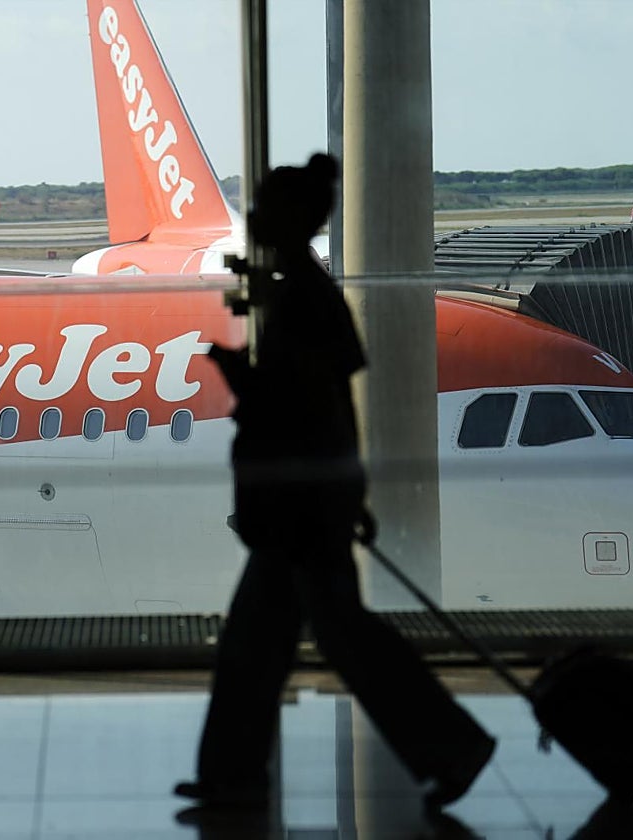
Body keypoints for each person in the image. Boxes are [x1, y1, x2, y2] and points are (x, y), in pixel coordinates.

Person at [175, 153, 495, 813]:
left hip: (299, 508)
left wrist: (239, 378)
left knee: (283, 650)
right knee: (311, 644)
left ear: (292, 219)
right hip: (311, 502)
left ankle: (448, 747)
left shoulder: (302, 298)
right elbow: (331, 406)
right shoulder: (307, 291)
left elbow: (299, 406)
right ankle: (445, 747)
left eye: (263, 208)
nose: (254, 218)